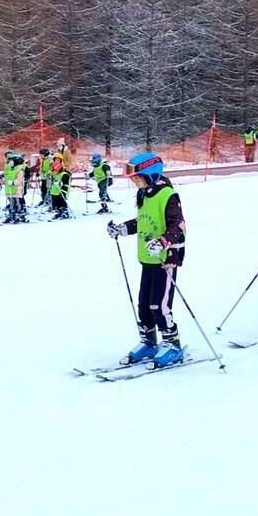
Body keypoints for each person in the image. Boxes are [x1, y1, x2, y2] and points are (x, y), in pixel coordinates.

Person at [106, 153, 186, 368]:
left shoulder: (168, 195)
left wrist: (163, 242)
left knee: (159, 305)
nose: (134, 182)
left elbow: (177, 226)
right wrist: (123, 228)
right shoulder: (144, 195)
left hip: (165, 260)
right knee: (144, 305)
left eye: (137, 178)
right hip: (147, 259)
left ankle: (173, 345)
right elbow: (142, 221)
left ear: (151, 174)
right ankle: (149, 342)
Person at [1, 151, 29, 224]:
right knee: (11, 204)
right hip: (10, 190)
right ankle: (11, 215)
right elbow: (7, 176)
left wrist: (13, 182)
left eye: (12, 161)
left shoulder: (20, 170)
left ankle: (20, 216)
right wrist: (3, 177)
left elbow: (19, 180)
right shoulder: (10, 169)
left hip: (17, 190)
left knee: (18, 203)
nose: (10, 163)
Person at [48, 153, 72, 220]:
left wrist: (61, 184)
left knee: (61, 201)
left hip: (61, 190)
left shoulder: (64, 172)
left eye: (58, 159)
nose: (56, 161)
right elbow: (52, 175)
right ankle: (59, 212)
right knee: (55, 201)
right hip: (55, 189)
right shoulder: (53, 168)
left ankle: (64, 212)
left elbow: (66, 181)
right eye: (55, 159)